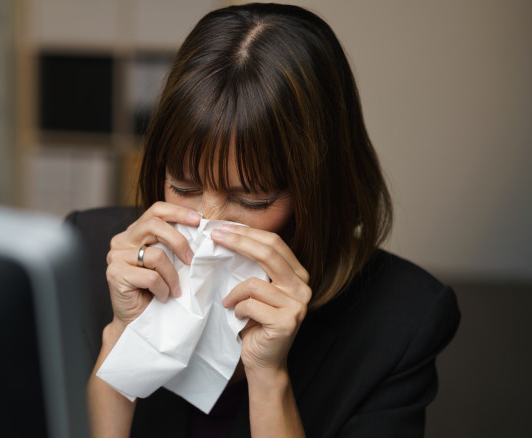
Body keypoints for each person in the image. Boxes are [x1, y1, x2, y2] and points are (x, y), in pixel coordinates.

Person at [65, 3, 460, 437]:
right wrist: (124, 339)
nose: (206, 221)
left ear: (317, 192)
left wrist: (269, 378)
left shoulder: (400, 321)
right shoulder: (83, 254)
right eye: (184, 186)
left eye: (250, 199)